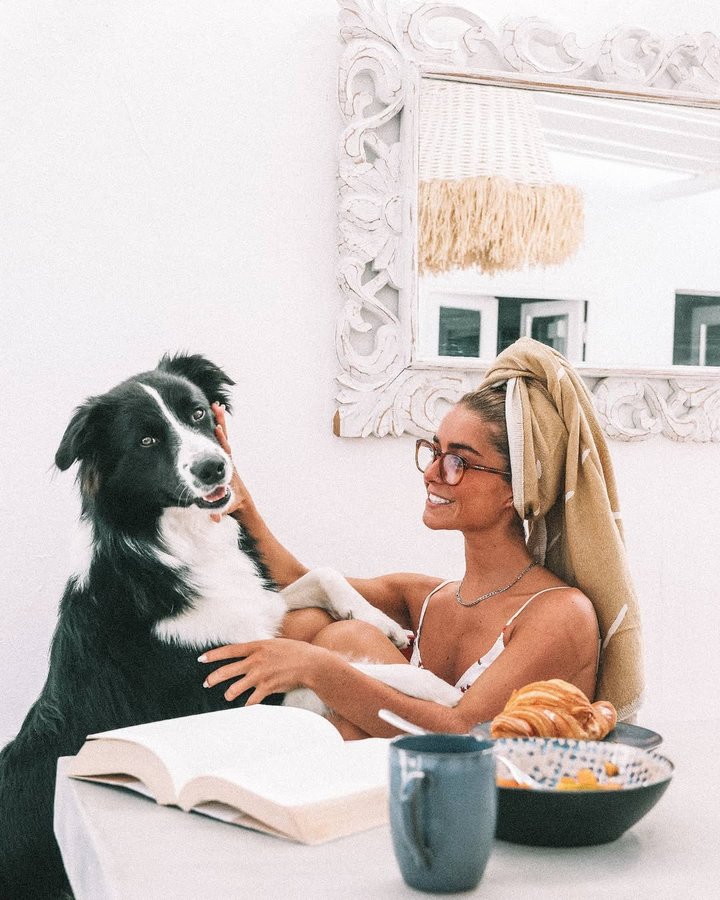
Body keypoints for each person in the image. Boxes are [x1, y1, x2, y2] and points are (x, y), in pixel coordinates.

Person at [200, 338, 644, 738]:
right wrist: (236, 500)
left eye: (458, 461)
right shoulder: (426, 599)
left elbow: (461, 736)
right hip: (390, 791)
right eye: (434, 451)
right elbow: (294, 583)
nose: (432, 473)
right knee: (311, 621)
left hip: (492, 809)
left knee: (341, 639)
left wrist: (319, 669)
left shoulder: (562, 613)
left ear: (516, 489)